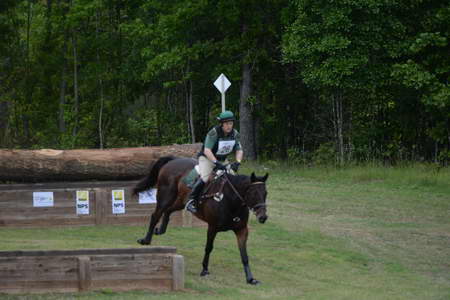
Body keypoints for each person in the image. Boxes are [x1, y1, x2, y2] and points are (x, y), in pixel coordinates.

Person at [186, 110, 243, 213]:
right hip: (207, 159)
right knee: (205, 178)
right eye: (226, 124)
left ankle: (233, 203)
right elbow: (207, 150)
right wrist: (216, 163)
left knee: (233, 179)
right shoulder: (214, 133)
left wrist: (237, 162)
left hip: (222, 160)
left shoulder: (235, 134)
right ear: (221, 124)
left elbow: (239, 150)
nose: (229, 126)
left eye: (231, 123)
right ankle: (191, 201)